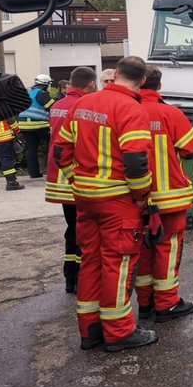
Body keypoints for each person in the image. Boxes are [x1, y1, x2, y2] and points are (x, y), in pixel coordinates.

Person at [54, 56, 157, 352]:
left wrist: (77, 180)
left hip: (86, 200)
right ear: (142, 81)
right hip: (117, 201)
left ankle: (90, 330)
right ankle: (119, 332)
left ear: (115, 74)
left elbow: (61, 151)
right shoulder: (131, 108)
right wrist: (141, 197)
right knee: (118, 263)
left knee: (91, 261)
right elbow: (135, 162)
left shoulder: (83, 103)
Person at [135, 67, 193, 322]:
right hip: (169, 197)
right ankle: (167, 303)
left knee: (143, 250)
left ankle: (145, 304)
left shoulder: (127, 111)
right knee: (167, 249)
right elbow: (191, 149)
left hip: (135, 198)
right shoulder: (170, 113)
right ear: (159, 86)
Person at [46, 66, 98, 294]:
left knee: (72, 228)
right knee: (83, 230)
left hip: (57, 177)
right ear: (91, 84)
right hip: (76, 175)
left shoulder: (57, 105)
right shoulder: (83, 106)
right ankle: (80, 278)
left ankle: (70, 277)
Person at [17, 73, 56, 179]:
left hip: (24, 126)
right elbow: (52, 108)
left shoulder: (28, 93)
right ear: (46, 84)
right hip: (40, 125)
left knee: (30, 149)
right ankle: (51, 169)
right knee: (52, 144)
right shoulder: (42, 94)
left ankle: (34, 173)